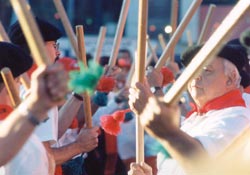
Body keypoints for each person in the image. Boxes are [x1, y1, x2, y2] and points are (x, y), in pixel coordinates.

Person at [128, 44, 250, 175]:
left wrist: (167, 131)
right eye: (193, 71)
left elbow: (202, 163)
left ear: (230, 79)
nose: (196, 77)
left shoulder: (238, 117)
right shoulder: (193, 119)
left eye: (206, 70)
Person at [8, 17, 99, 173]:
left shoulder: (19, 83)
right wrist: (79, 146)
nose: (58, 52)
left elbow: (49, 134)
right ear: (37, 47)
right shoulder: (36, 91)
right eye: (54, 45)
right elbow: (43, 156)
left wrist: (77, 96)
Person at [0, 41, 68, 174]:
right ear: (15, 81)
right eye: (54, 46)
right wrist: (35, 107)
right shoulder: (25, 145)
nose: (58, 52)